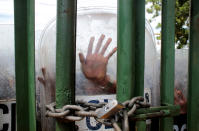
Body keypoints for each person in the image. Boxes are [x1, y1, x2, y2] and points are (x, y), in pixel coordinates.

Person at [38, 34, 187, 114]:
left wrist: (102, 82)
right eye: (86, 86)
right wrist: (54, 94)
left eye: (91, 86)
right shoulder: (80, 105)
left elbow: (127, 97)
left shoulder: (120, 101)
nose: (90, 90)